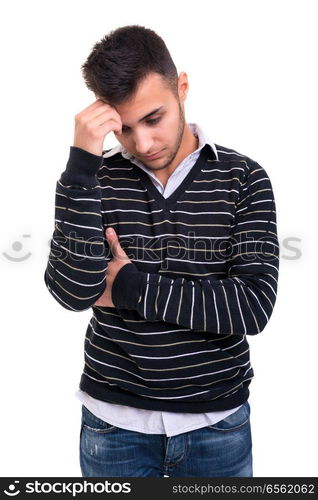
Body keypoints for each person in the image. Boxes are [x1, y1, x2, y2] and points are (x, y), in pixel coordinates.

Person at [44, 24, 279, 477]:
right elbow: (74, 293)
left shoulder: (243, 179)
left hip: (218, 425)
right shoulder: (94, 179)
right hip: (113, 426)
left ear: (182, 88)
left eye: (154, 118)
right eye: (124, 129)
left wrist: (128, 285)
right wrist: (80, 166)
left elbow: (251, 307)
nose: (143, 143)